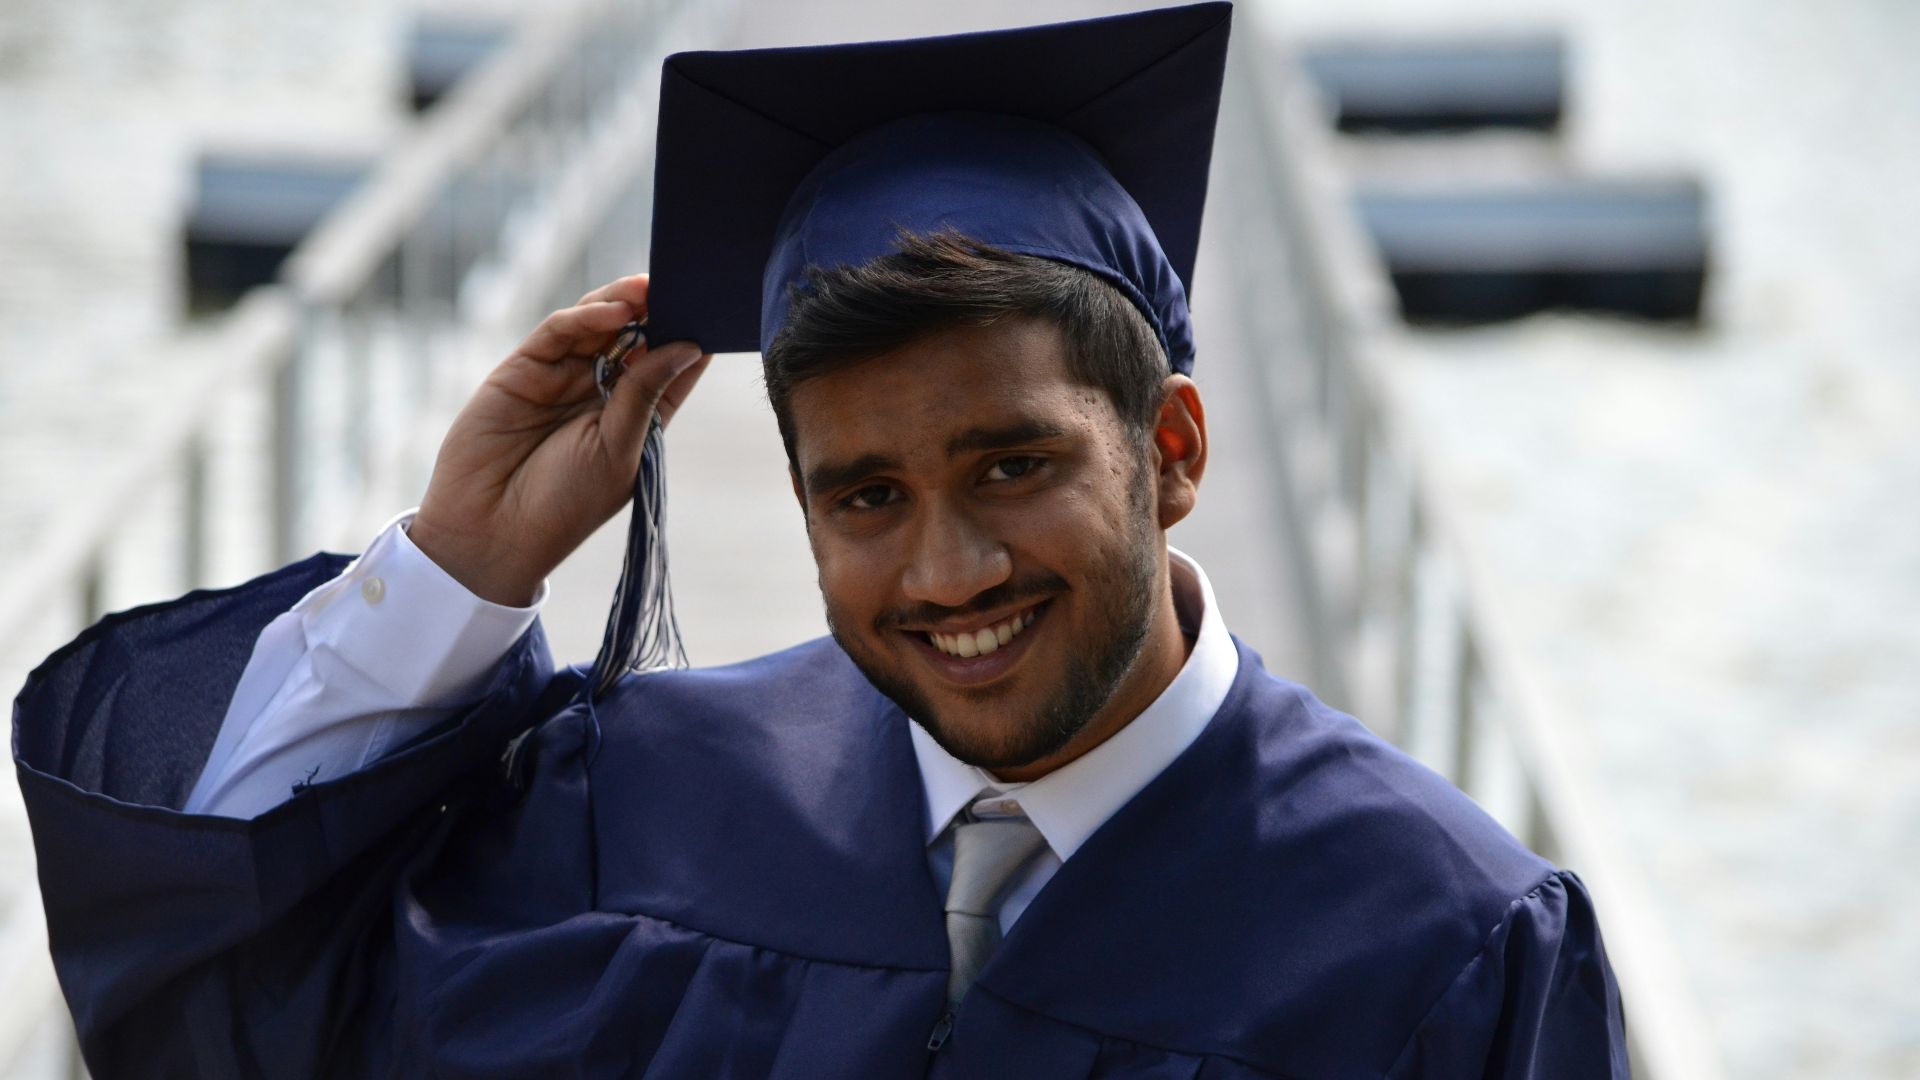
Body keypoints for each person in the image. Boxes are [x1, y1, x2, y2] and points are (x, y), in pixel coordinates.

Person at [13, 4, 1629, 1077]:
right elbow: (229, 994)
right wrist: (457, 571)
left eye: (1012, 464)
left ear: (1176, 452)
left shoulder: (1452, 940)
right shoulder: (633, 802)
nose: (944, 571)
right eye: (863, 497)